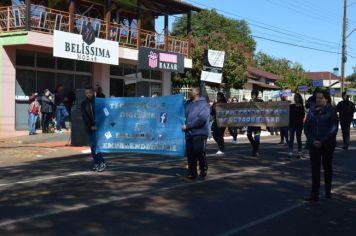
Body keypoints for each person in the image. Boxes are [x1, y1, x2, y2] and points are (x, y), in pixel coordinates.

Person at [304, 89, 339, 202]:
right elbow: (307, 127)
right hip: (313, 144)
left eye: (321, 98)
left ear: (326, 99)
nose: (318, 100)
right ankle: (314, 194)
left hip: (327, 144)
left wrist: (322, 141)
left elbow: (333, 129)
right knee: (315, 169)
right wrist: (312, 140)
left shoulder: (331, 111)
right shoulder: (312, 111)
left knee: (327, 167)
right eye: (317, 98)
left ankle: (328, 191)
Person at [182, 86, 210, 180]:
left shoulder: (204, 104)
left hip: (200, 133)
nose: (189, 91)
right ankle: (192, 172)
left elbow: (201, 119)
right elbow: (181, 114)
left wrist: (188, 126)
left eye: (191, 90)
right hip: (189, 133)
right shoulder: (187, 103)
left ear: (197, 92)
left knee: (199, 152)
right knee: (190, 154)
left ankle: (203, 169)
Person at [81, 87, 106, 172]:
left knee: (97, 146)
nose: (88, 94)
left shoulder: (98, 102)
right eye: (86, 93)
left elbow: (103, 114)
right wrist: (90, 126)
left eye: (89, 92)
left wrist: (98, 125)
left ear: (93, 93)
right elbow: (85, 117)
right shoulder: (83, 104)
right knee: (92, 146)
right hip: (90, 128)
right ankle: (96, 162)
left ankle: (102, 162)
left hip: (99, 127)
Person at [288, 93, 305, 158]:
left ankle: (299, 152)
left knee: (298, 139)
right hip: (291, 124)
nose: (295, 98)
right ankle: (290, 152)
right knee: (291, 139)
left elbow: (303, 116)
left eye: (296, 97)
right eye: (294, 97)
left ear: (299, 98)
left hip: (299, 125)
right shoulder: (291, 106)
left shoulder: (301, 106)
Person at [247, 89, 263, 157]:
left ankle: (255, 151)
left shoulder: (261, 101)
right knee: (249, 135)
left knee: (257, 137)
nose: (252, 95)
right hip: (251, 122)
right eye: (251, 94)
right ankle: (254, 146)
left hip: (257, 122)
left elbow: (262, 109)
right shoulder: (249, 102)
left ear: (256, 95)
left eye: (253, 94)